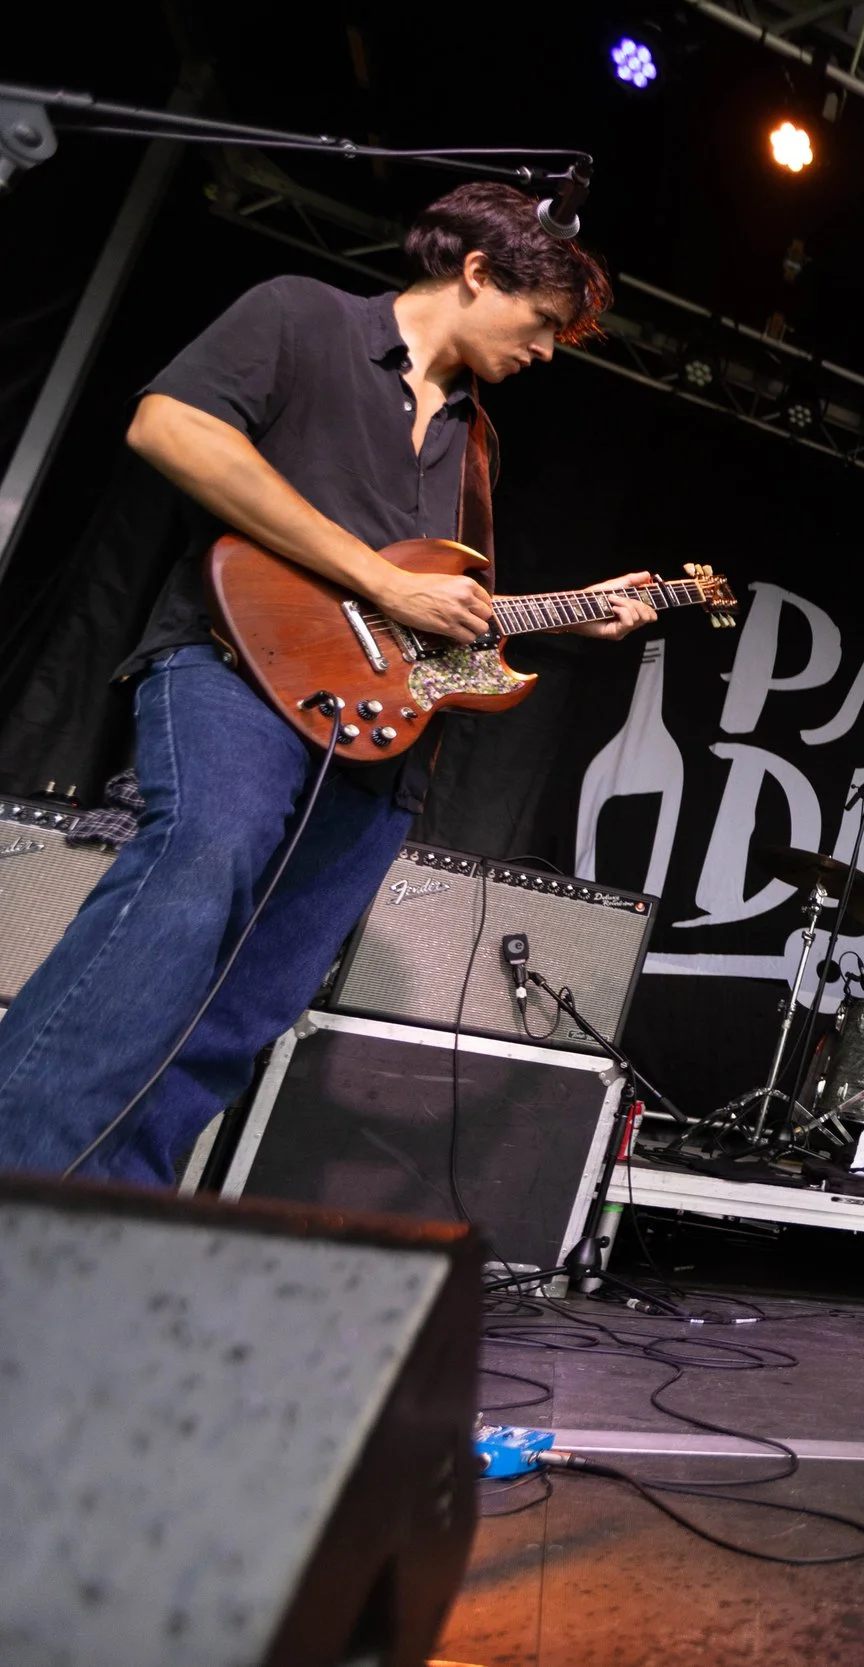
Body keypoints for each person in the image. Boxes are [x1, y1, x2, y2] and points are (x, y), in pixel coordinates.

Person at [0, 184, 653, 1184]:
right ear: (478, 272)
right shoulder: (301, 316)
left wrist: (570, 619)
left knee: (255, 999)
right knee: (191, 880)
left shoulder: (474, 441)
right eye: (544, 322)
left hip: (375, 751)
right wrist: (381, 576)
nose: (549, 351)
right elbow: (172, 428)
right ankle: (19, 1160)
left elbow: (435, 626)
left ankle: (100, 1218)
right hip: (234, 677)